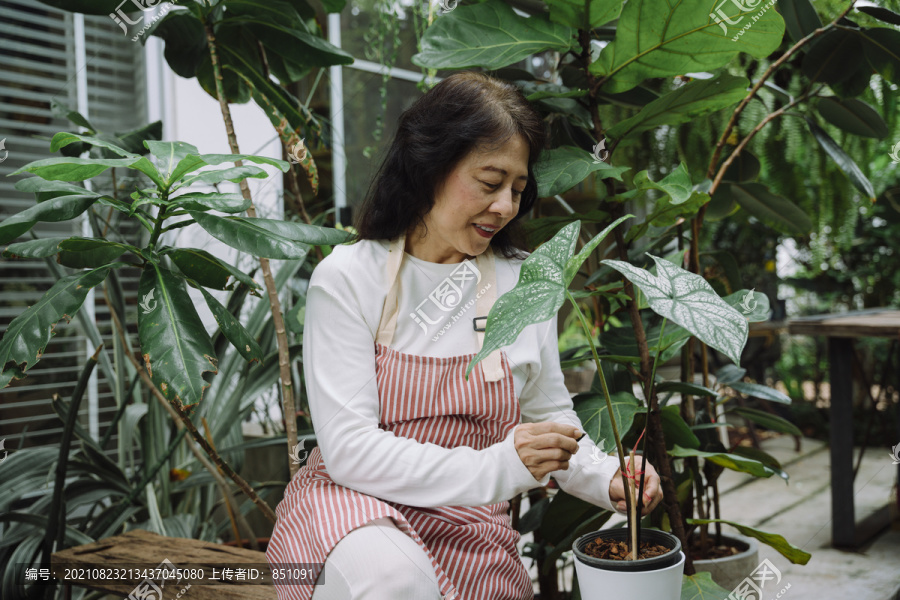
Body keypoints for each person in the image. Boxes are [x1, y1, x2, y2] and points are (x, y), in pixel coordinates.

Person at [265, 71, 664, 600]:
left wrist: (606, 476)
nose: (505, 206)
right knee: (394, 579)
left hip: (472, 526)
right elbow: (352, 453)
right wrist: (498, 466)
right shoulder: (348, 279)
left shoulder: (525, 281)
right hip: (355, 512)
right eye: (489, 181)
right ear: (429, 168)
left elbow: (550, 418)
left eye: (518, 190)